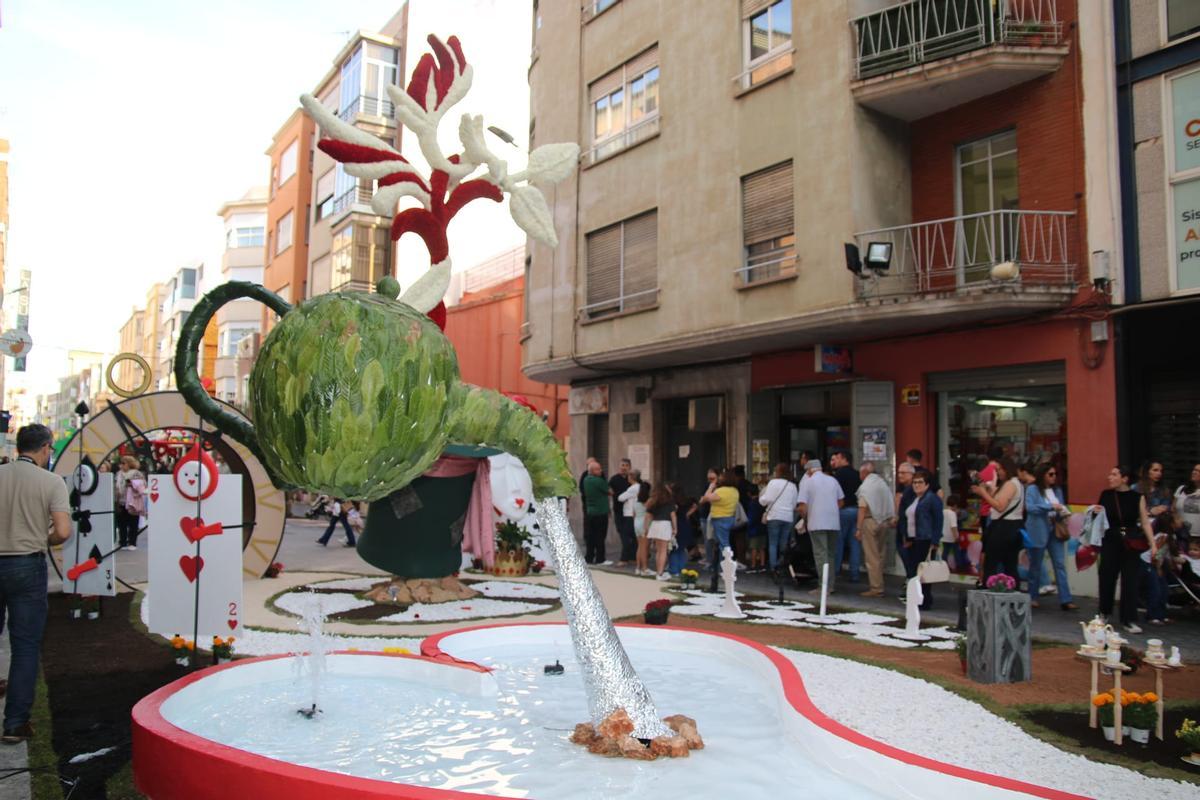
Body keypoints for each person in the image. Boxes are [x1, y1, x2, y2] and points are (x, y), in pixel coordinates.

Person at [0, 424, 71, 743]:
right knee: (25, 645)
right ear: (44, 448)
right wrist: (44, 538)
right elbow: (63, 531)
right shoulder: (51, 482)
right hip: (27, 563)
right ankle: (15, 723)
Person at [1094, 465, 1157, 633]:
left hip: (1130, 541)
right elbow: (1099, 520)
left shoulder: (1137, 497)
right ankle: (1104, 612)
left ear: (1124, 478)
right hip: (1110, 540)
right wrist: (1095, 512)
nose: (1110, 477)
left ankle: (1128, 619)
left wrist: (1153, 544)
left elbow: (1145, 522)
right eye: (1110, 474)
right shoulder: (1106, 495)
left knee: (1130, 580)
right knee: (1107, 577)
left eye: (1114, 474)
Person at [1024, 464, 1077, 611]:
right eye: (1050, 474)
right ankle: (1032, 596)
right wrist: (1050, 507)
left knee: (1060, 564)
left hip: (1055, 529)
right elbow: (1030, 508)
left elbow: (1061, 506)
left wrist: (1064, 512)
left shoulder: (1057, 490)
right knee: (1035, 565)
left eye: (1055, 474)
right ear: (1042, 475)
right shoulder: (1033, 489)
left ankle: (1066, 599)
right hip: (1038, 530)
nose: (1054, 477)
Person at [970, 456, 1025, 582]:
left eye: (1000, 469)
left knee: (993, 561)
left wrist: (983, 493)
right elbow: (999, 498)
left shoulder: (1011, 484)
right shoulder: (1013, 484)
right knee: (1009, 563)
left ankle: (991, 585)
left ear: (1007, 469)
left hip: (1005, 527)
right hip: (1010, 526)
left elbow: (1000, 506)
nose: (997, 472)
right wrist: (987, 489)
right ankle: (1009, 586)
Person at [796, 459, 844, 594]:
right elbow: (841, 502)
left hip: (816, 522)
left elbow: (802, 506)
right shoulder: (833, 480)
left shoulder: (808, 482)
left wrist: (805, 519)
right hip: (833, 523)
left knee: (820, 554)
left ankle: (823, 586)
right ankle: (831, 585)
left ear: (809, 470)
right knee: (830, 554)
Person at [899, 468, 942, 609]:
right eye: (915, 482)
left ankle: (924, 599)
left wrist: (935, 541)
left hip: (925, 539)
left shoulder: (932, 499)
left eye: (920, 482)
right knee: (914, 570)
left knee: (923, 572)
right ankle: (917, 598)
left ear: (927, 484)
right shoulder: (915, 499)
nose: (917, 485)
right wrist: (907, 537)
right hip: (914, 539)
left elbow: (938, 520)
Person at [856, 461, 895, 597]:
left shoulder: (866, 487)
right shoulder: (883, 484)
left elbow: (862, 508)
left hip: (869, 521)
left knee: (871, 556)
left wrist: (858, 528)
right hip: (884, 521)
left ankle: (876, 587)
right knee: (880, 554)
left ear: (864, 473)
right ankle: (879, 582)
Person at [700, 469, 741, 579]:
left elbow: (706, 497)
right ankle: (720, 566)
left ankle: (725, 567)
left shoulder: (722, 491)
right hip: (730, 517)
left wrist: (711, 487)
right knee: (723, 542)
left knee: (723, 544)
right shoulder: (735, 491)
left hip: (719, 518)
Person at [830, 450, 862, 583]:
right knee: (855, 543)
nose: (835, 461)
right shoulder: (857, 474)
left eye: (838, 458)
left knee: (838, 542)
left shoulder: (839, 474)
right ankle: (854, 574)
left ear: (844, 459)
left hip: (843, 510)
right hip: (857, 509)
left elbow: (834, 493)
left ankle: (835, 571)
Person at [759, 463, 798, 572]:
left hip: (774, 515)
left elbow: (766, 499)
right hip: (788, 517)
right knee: (783, 542)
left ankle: (773, 567)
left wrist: (760, 499)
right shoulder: (792, 486)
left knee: (773, 543)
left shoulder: (773, 483)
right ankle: (782, 565)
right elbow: (794, 504)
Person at [581, 462, 611, 566]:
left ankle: (589, 557)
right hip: (600, 512)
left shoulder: (586, 480)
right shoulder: (599, 481)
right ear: (592, 470)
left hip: (590, 512)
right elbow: (610, 491)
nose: (601, 470)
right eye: (598, 469)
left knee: (591, 537)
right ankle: (600, 559)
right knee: (600, 536)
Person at [644, 483, 677, 580]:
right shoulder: (669, 501)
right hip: (665, 525)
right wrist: (675, 528)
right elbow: (673, 516)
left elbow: (648, 516)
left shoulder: (652, 502)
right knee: (663, 551)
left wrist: (646, 528)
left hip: (655, 525)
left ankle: (659, 572)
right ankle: (660, 573)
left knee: (659, 551)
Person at [116, 456, 147, 550]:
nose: (121, 465)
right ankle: (123, 542)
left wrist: (131, 484)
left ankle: (132, 542)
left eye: (123, 463)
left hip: (133, 501)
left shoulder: (136, 474)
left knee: (133, 522)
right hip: (121, 501)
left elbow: (142, 486)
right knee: (122, 523)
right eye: (121, 463)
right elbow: (116, 487)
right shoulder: (118, 474)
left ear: (130, 464)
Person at [609, 458, 635, 567]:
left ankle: (631, 557)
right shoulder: (614, 479)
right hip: (619, 511)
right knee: (623, 534)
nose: (624, 468)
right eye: (622, 465)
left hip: (631, 512)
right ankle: (625, 558)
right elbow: (609, 491)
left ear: (629, 467)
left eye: (626, 465)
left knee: (631, 535)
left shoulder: (632, 479)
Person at [617, 469, 643, 572]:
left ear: (631, 477)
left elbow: (620, 498)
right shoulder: (640, 487)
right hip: (636, 513)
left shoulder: (632, 488)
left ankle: (624, 559)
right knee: (634, 536)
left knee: (625, 536)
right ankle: (633, 557)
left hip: (629, 514)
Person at [1172, 463, 1200, 541]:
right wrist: (1176, 519)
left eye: (1198, 471)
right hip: (1180, 535)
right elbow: (1173, 508)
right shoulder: (1181, 489)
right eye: (1194, 470)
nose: (1194, 472)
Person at [745, 484, 766, 571]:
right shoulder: (761, 502)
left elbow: (751, 518)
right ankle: (762, 564)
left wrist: (748, 526)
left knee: (753, 548)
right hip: (763, 527)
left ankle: (753, 565)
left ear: (749, 493)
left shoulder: (752, 503)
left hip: (754, 529)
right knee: (762, 548)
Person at [941, 494, 962, 570]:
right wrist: (956, 536)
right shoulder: (952, 513)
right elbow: (953, 526)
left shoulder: (943, 511)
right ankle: (959, 567)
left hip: (943, 536)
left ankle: (944, 566)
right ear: (955, 505)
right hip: (951, 537)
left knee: (945, 552)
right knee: (957, 551)